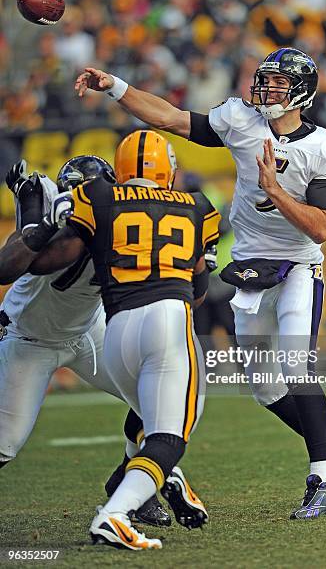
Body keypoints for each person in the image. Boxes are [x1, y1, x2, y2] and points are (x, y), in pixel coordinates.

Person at [73, 47, 326, 520]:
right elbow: (169, 118)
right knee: (265, 389)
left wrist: (273, 190)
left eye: (277, 84)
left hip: (296, 266)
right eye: (264, 80)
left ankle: (324, 480)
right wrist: (117, 88)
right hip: (250, 268)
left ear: (302, 92)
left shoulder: (325, 148)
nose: (265, 90)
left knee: (295, 369)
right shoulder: (241, 120)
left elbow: (321, 229)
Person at [1, 130, 220, 549]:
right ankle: (150, 479)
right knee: (4, 444)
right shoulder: (65, 233)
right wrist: (36, 225)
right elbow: (9, 266)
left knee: (149, 400)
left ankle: (133, 486)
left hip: (93, 330)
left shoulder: (103, 213)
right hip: (32, 339)